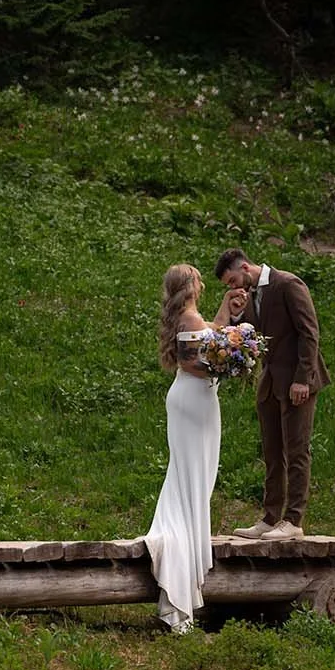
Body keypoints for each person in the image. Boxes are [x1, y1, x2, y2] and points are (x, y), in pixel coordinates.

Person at [143, 263, 237, 633]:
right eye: (198, 278)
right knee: (194, 475)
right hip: (195, 403)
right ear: (190, 285)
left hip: (189, 401)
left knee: (189, 474)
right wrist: (230, 364)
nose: (202, 282)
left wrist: (228, 311)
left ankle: (186, 542)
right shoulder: (190, 320)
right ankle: (180, 558)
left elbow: (211, 334)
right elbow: (196, 361)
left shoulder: (187, 317)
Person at [215, 247, 329, 540]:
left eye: (232, 280)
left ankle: (293, 520)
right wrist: (239, 315)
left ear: (244, 267)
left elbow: (309, 332)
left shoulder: (288, 284)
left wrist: (303, 378)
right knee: (271, 452)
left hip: (296, 381)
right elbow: (256, 335)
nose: (233, 287)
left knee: (296, 449)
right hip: (270, 382)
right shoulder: (253, 293)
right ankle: (270, 517)